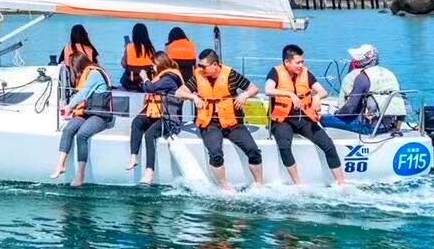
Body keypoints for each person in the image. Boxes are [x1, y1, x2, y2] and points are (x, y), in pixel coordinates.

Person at [176, 49, 263, 190]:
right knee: (215, 153)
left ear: (214, 65)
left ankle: (259, 183)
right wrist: (194, 97)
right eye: (199, 66)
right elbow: (179, 92)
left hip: (232, 123)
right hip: (210, 124)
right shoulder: (198, 76)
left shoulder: (231, 75)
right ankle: (224, 185)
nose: (200, 69)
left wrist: (244, 95)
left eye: (203, 66)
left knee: (253, 150)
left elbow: (254, 88)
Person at [264, 44, 345, 187]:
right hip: (282, 120)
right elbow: (268, 90)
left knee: (328, 144)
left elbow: (322, 91)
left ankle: (341, 182)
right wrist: (290, 94)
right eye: (298, 62)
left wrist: (317, 98)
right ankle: (298, 184)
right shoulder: (275, 72)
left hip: (303, 118)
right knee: (284, 146)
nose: (301, 65)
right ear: (287, 62)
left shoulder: (305, 73)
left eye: (302, 62)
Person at [51, 52, 114, 187]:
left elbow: (84, 93)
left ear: (77, 65)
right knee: (68, 129)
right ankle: (60, 165)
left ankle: (80, 174)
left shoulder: (94, 74)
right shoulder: (88, 73)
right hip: (87, 112)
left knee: (82, 134)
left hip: (100, 115)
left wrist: (68, 107)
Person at [126, 50, 184, 184]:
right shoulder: (161, 77)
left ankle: (149, 172)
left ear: (159, 64)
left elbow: (150, 88)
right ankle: (134, 156)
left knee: (149, 134)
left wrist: (145, 77)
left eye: (153, 65)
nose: (152, 68)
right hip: (156, 114)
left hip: (169, 119)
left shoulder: (169, 79)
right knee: (137, 122)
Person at [320, 44, 403, 135]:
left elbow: (350, 108)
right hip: (388, 126)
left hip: (368, 127)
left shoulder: (362, 78)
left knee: (324, 119)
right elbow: (402, 101)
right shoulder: (390, 74)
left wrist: (337, 113)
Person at [120, 22, 157, 90]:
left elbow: (123, 64)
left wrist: (126, 49)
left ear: (134, 34)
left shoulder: (129, 47)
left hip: (130, 83)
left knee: (123, 77)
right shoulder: (150, 49)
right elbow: (154, 66)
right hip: (145, 83)